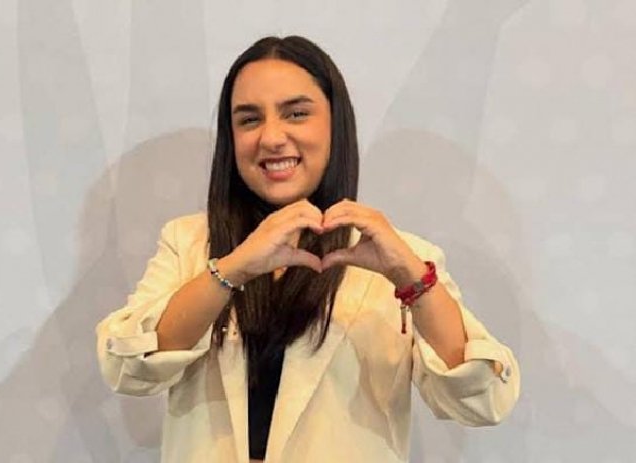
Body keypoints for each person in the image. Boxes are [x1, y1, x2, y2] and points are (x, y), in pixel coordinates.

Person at [96, 35, 520, 463]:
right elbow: (129, 368)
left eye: (296, 113)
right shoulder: (188, 242)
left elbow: (481, 399)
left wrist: (411, 278)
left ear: (335, 125)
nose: (271, 137)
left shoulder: (401, 256)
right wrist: (235, 268)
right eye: (249, 119)